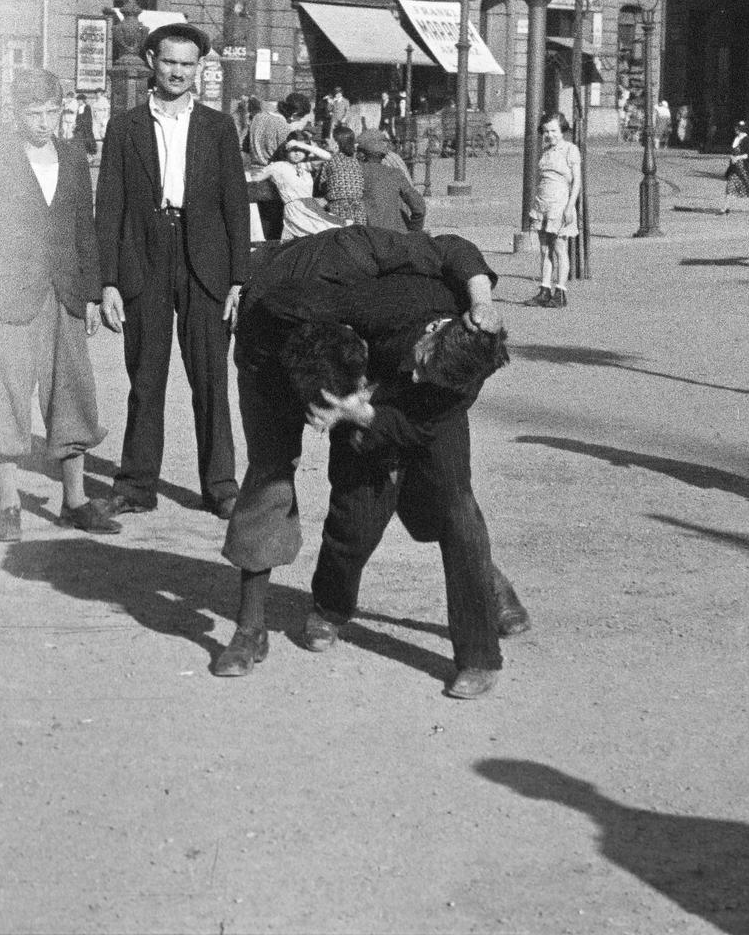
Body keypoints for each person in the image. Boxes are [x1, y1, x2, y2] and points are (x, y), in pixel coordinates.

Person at [214, 226, 524, 698]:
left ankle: (479, 655)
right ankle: (327, 609)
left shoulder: (461, 376)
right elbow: (447, 246)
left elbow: (418, 423)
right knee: (354, 517)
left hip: (404, 412)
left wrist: (366, 410)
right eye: (422, 362)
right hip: (303, 344)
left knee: (455, 511)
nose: (417, 373)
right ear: (437, 329)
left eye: (427, 374)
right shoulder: (374, 293)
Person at [96, 24, 250, 519]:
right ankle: (137, 483)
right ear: (150, 61)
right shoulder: (125, 128)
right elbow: (110, 207)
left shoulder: (218, 126)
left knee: (210, 379)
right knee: (146, 377)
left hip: (205, 260)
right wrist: (109, 282)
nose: (178, 71)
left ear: (199, 68)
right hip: (144, 258)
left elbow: (235, 204)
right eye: (169, 62)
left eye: (187, 63)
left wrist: (238, 278)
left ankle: (221, 486)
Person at [0, 70, 121, 541]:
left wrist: (92, 293)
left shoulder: (73, 158)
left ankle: (74, 501)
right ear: (16, 113)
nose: (43, 123)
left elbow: (84, 230)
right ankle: (8, 503)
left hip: (65, 295)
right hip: (7, 298)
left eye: (52, 112)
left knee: (72, 392)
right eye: (33, 113)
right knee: (6, 395)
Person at [527, 113, 581, 308]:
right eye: (546, 131)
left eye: (554, 131)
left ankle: (560, 291)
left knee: (559, 248)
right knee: (544, 249)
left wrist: (570, 206)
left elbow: (576, 182)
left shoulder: (570, 150)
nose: (550, 135)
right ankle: (544, 289)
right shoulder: (545, 151)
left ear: (562, 131)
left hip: (560, 205)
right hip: (543, 204)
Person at [248, 130, 343, 239]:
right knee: (327, 233)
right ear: (286, 150)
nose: (297, 153)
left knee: (339, 227)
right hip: (297, 212)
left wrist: (300, 144)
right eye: (294, 150)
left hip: (311, 207)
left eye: (301, 150)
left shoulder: (305, 166)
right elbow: (254, 178)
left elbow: (327, 156)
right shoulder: (277, 166)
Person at [356, 128, 426, 233]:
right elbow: (419, 207)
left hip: (367, 236)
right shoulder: (395, 173)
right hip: (396, 236)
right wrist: (414, 229)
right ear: (383, 155)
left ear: (361, 154)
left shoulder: (355, 173)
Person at [319, 124, 367, 225]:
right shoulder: (355, 161)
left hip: (338, 208)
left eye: (330, 138)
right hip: (358, 208)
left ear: (337, 144)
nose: (327, 140)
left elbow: (322, 186)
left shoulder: (330, 161)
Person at [722, 121, 749, 216]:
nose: (735, 129)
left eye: (737, 128)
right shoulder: (736, 139)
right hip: (734, 168)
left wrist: (738, 157)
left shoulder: (748, 140)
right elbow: (733, 152)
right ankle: (726, 206)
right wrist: (732, 157)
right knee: (730, 185)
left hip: (744, 168)